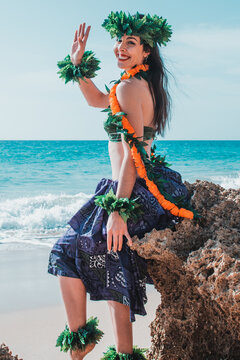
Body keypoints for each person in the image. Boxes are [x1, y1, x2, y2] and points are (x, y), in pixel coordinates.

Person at [48, 11, 195, 360]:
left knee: (99, 250)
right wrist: (78, 65)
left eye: (131, 43)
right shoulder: (129, 84)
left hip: (135, 188)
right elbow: (96, 100)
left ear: (147, 52)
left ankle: (109, 348)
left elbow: (133, 155)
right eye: (119, 41)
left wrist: (118, 211)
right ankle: (86, 339)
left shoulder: (131, 87)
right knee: (75, 249)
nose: (121, 48)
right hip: (128, 184)